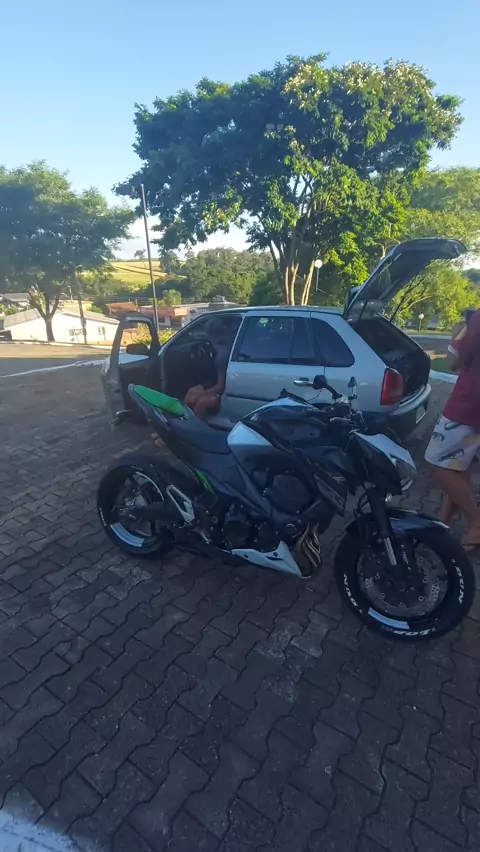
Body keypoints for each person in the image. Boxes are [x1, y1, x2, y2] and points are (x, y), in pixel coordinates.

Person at [425, 308, 480, 551]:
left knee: (437, 462)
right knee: (458, 466)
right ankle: (442, 524)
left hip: (469, 405)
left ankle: (477, 523)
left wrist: (455, 335)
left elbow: (452, 361)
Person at [183, 316, 238, 418]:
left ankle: (195, 425)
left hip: (224, 393)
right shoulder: (226, 343)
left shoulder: (222, 356)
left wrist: (201, 395)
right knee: (191, 392)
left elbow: (221, 387)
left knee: (200, 402)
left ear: (208, 335)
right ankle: (183, 421)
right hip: (216, 385)